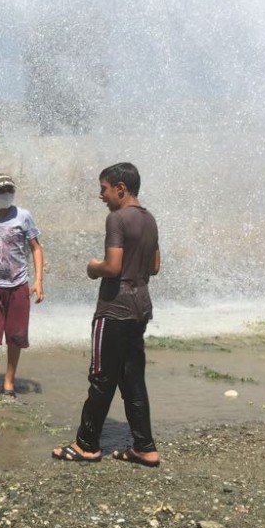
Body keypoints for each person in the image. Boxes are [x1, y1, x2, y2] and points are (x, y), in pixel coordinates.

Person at [52, 162, 161, 467]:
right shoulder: (149, 219)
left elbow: (112, 267)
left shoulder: (117, 219)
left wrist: (92, 267)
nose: (101, 196)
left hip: (114, 309)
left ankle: (86, 445)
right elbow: (154, 266)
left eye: (104, 189)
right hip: (141, 307)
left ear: (120, 189)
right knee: (132, 379)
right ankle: (145, 447)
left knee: (101, 377)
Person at [0, 173, 44, 406]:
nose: (6, 196)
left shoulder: (23, 216)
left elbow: (35, 248)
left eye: (9, 191)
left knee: (15, 336)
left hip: (18, 284)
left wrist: (38, 280)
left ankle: (9, 383)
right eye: (1, 192)